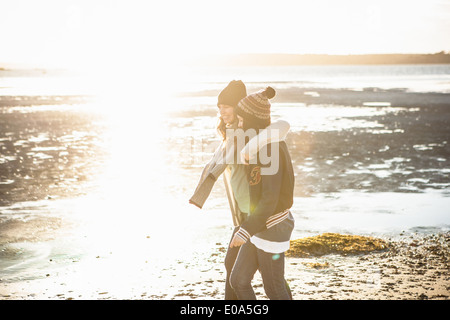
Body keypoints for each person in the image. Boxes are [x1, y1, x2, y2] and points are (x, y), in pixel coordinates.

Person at [189, 81, 290, 300]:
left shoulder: (252, 139)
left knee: (269, 280)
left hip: (258, 216)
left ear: (240, 109)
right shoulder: (232, 137)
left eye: (226, 106)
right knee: (239, 272)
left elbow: (279, 128)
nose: (222, 111)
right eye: (219, 107)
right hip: (244, 215)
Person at [228, 86, 295, 300]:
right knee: (238, 279)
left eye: (241, 120)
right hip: (258, 224)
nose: (239, 124)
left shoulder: (271, 149)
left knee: (274, 288)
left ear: (253, 121)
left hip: (273, 225)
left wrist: (244, 230)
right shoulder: (259, 147)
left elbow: (270, 199)